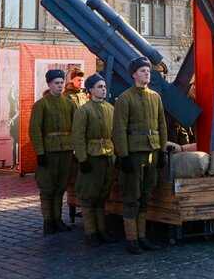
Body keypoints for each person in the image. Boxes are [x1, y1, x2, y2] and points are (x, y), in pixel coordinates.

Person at [113, 56, 168, 255]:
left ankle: (142, 236)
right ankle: (131, 238)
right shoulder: (125, 98)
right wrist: (123, 155)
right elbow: (119, 129)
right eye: (143, 71)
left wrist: (162, 151)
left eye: (148, 70)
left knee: (146, 195)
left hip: (152, 151)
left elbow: (162, 125)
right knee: (131, 196)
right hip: (134, 154)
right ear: (134, 75)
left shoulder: (155, 97)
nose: (147, 73)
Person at [29, 68, 77, 234]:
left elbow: (76, 128)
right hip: (49, 152)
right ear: (49, 84)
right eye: (56, 83)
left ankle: (57, 219)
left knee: (61, 186)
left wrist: (75, 150)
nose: (60, 86)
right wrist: (40, 153)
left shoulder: (70, 104)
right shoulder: (41, 105)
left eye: (62, 82)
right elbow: (35, 130)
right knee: (48, 187)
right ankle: (48, 221)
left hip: (66, 150)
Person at [71, 73, 117, 247]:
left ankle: (102, 230)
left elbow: (115, 134)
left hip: (107, 156)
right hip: (92, 157)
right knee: (89, 196)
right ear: (90, 90)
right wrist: (82, 159)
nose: (103, 89)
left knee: (102, 195)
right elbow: (78, 136)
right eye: (99, 87)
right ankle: (91, 232)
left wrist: (117, 154)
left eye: (104, 86)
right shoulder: (84, 110)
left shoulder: (110, 109)